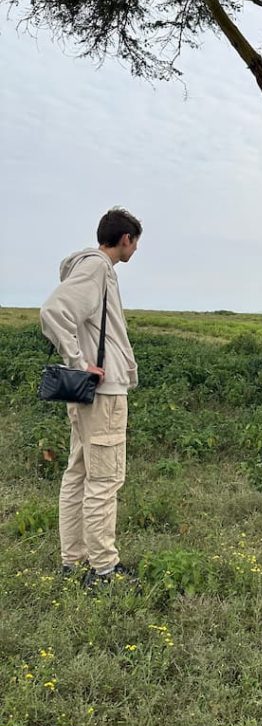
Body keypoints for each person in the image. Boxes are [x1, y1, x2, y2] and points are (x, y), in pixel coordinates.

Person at [40, 207, 142, 588]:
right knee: (105, 480)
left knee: (79, 473)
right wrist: (79, 361)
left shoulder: (90, 267)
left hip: (88, 396)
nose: (135, 250)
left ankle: (74, 560)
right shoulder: (98, 267)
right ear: (126, 239)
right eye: (135, 243)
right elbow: (54, 311)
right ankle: (104, 570)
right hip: (103, 393)